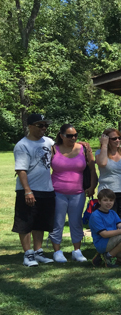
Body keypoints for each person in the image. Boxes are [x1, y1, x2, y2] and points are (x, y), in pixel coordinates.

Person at [48, 124, 95, 263]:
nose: (73, 138)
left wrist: (92, 186)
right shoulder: (53, 149)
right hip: (57, 192)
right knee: (57, 222)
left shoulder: (84, 149)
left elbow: (92, 169)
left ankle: (77, 251)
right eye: (69, 136)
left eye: (75, 135)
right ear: (61, 136)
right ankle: (57, 251)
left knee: (76, 222)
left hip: (78, 192)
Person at [13, 113, 56, 266]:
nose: (44, 128)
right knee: (25, 222)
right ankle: (28, 254)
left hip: (46, 189)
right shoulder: (22, 145)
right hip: (29, 189)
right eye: (40, 125)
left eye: (45, 125)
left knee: (40, 223)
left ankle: (38, 252)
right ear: (30, 126)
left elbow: (59, 151)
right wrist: (27, 190)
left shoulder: (49, 141)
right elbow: (21, 170)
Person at [89, 189, 121, 267]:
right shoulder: (95, 215)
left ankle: (105, 257)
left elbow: (120, 225)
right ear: (99, 201)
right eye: (105, 200)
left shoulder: (112, 213)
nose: (108, 203)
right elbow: (104, 234)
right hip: (103, 243)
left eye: (111, 200)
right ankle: (109, 255)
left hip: (115, 242)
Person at [96, 128, 121, 224]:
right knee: (109, 220)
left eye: (119, 138)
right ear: (107, 140)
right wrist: (104, 145)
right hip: (107, 191)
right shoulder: (99, 152)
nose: (117, 140)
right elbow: (102, 163)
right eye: (114, 138)